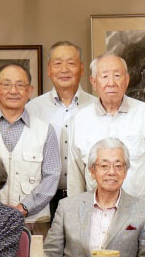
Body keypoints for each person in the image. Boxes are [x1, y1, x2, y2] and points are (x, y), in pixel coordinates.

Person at [0, 63, 60, 236]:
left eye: (20, 85)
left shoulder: (45, 130)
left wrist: (24, 208)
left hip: (34, 222)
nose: (13, 91)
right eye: (6, 84)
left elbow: (51, 177)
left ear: (29, 91)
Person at [68, 54, 145, 210]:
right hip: (96, 213)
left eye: (117, 76)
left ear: (127, 80)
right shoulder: (80, 119)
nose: (111, 83)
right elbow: (75, 175)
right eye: (104, 76)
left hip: (141, 211)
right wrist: (75, 212)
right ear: (94, 82)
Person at [45, 138, 145, 257]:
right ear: (92, 171)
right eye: (104, 166)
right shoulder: (67, 207)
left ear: (126, 171)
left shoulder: (144, 212)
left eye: (118, 166)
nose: (111, 172)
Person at [26, 41, 97, 219]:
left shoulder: (97, 107)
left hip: (87, 196)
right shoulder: (33, 109)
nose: (64, 69)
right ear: (49, 69)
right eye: (58, 63)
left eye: (71, 63)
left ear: (82, 68)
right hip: (43, 199)